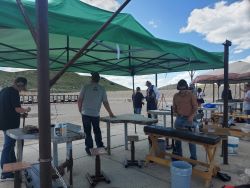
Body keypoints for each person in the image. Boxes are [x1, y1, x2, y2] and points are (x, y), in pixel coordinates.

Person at [0, 77, 31, 180]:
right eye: (22, 87)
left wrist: (21, 115)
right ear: (20, 84)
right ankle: (6, 174)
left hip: (4, 123)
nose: (22, 90)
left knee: (10, 145)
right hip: (10, 125)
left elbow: (8, 108)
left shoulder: (4, 90)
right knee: (8, 146)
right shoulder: (14, 92)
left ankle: (13, 164)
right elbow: (17, 108)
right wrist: (26, 109)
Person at [78, 72, 115, 156]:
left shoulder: (86, 87)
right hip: (95, 114)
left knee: (87, 132)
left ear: (91, 78)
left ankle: (89, 149)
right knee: (97, 131)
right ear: (98, 79)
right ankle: (100, 146)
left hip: (86, 113)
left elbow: (79, 100)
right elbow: (105, 102)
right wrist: (110, 113)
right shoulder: (102, 88)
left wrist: (80, 110)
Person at [173, 79, 198, 161]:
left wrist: (191, 116)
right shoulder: (175, 96)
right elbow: (174, 108)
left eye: (184, 89)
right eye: (180, 89)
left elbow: (195, 107)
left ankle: (193, 158)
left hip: (189, 119)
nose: (182, 91)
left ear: (186, 87)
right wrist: (176, 113)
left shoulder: (191, 95)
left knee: (191, 140)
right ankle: (179, 156)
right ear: (178, 88)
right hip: (179, 119)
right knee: (177, 139)